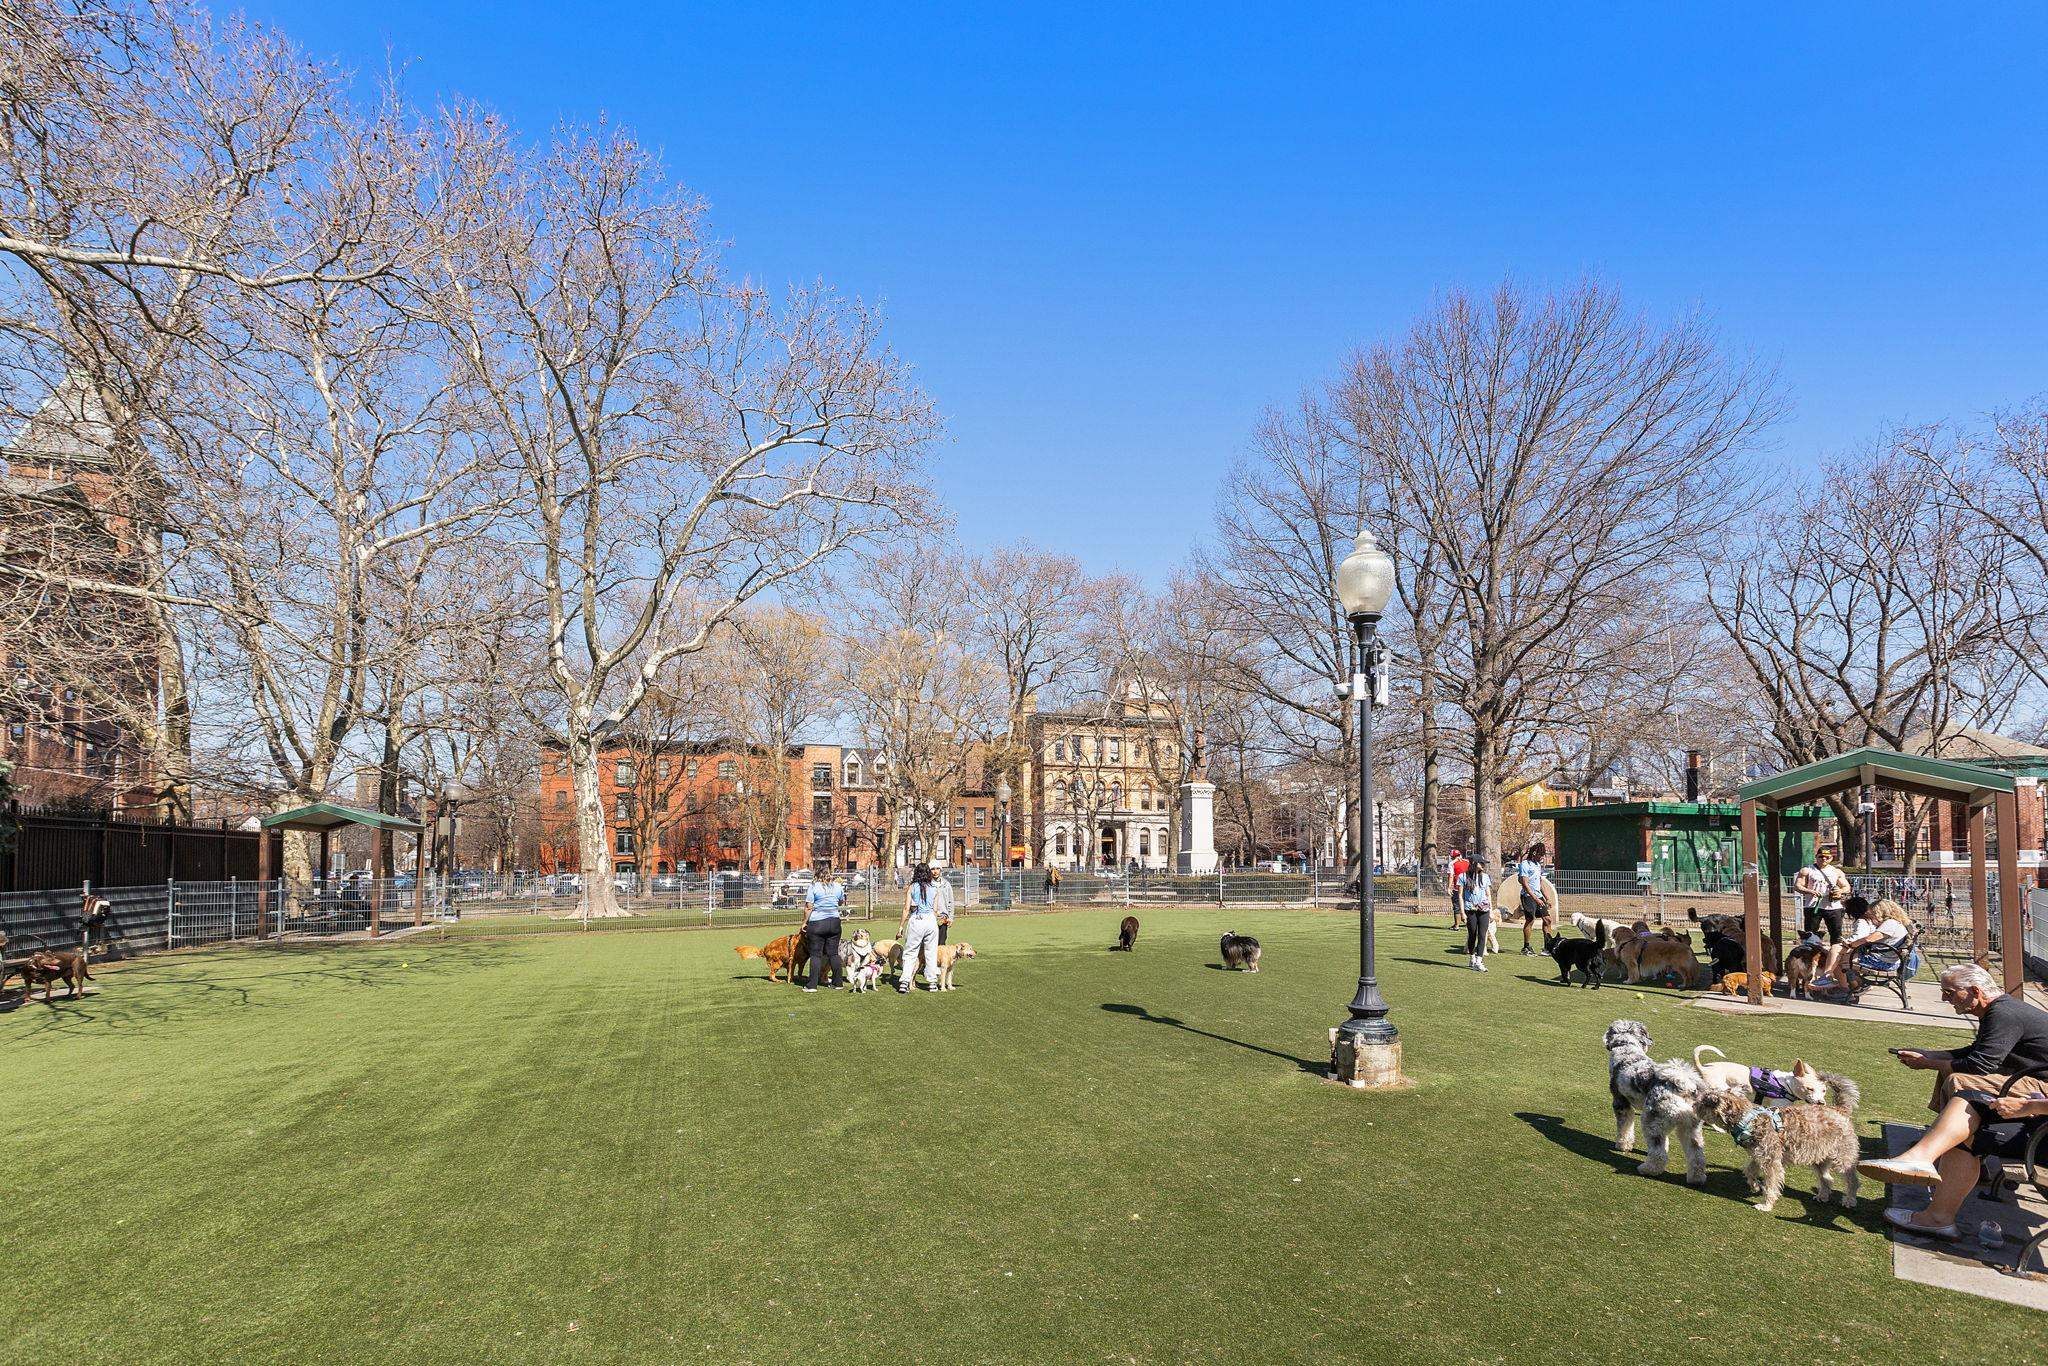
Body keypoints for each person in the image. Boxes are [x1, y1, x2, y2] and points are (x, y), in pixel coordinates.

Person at [1857, 963, 2048, 1190]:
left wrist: (1928, 1063)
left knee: (1957, 1077)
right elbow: (1976, 1052)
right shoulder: (1998, 1009)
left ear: (1975, 991)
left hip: (2041, 1087)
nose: (1944, 998)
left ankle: (1943, 1147)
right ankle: (1943, 1143)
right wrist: (1928, 1055)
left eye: (1949, 992)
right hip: (2027, 1079)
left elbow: (1980, 1064)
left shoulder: (2003, 1013)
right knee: (1951, 1069)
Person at [1813, 895, 1910, 991]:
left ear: (1882, 911)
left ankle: (1844, 987)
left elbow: (1868, 939)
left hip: (1883, 962)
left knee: (1837, 956)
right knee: (1836, 951)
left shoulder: (1890, 923)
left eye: (1874, 912)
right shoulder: (1896, 923)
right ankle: (1835, 981)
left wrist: (1850, 945)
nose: (1873, 914)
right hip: (1886, 959)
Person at [899, 863, 944, 993]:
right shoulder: (935, 887)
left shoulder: (912, 887)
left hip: (917, 919)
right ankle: (932, 982)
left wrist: (901, 926)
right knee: (931, 952)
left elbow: (907, 908)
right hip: (930, 920)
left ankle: (905, 981)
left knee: (910, 952)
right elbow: (935, 910)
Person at [801, 869, 848, 993]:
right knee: (833, 953)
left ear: (816, 876)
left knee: (815, 954)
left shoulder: (813, 886)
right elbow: (841, 901)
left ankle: (812, 985)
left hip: (818, 923)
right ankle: (838, 983)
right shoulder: (837, 886)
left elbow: (808, 907)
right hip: (834, 922)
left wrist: (805, 922)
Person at [1792, 846, 1851, 944]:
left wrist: (1839, 891)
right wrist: (1809, 891)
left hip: (1833, 907)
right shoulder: (1807, 870)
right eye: (1821, 856)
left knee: (1836, 935)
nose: (1824, 859)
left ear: (1831, 858)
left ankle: (1835, 957)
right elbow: (1797, 886)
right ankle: (1810, 956)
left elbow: (1847, 887)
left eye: (1827, 857)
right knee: (1811, 935)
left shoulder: (1836, 871)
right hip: (1813, 906)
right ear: (1816, 857)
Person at [1514, 841, 1557, 956]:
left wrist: (1546, 897)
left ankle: (1547, 947)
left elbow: (1540, 881)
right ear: (1534, 853)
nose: (1542, 857)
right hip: (1528, 896)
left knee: (1547, 920)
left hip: (1538, 896)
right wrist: (1535, 898)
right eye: (1540, 855)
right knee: (1530, 920)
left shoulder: (1537, 865)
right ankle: (1526, 947)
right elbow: (1525, 884)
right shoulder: (1525, 864)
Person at [1462, 856, 1494, 972]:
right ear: (1475, 863)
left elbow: (1488, 894)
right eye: (1481, 863)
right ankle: (1472, 957)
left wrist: (1490, 910)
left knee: (1482, 935)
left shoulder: (1485, 877)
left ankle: (1479, 961)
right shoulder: (1463, 877)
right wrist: (1462, 913)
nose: (1483, 865)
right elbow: (1461, 896)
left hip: (1484, 908)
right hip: (1470, 909)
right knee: (1472, 934)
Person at [932, 868, 956, 945]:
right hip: (930, 918)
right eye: (932, 869)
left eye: (937, 869)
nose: (935, 871)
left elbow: (951, 901)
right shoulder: (927, 884)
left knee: (941, 944)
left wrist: (951, 917)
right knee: (930, 944)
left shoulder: (946, 884)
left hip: (943, 918)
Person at [1448, 847, 1469, 929]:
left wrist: (1449, 887)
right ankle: (1468, 923)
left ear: (1452, 856)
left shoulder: (1452, 864)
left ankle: (1457, 925)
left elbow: (1451, 876)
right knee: (1467, 904)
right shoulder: (1467, 861)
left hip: (1458, 886)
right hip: (1468, 886)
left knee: (1456, 905)